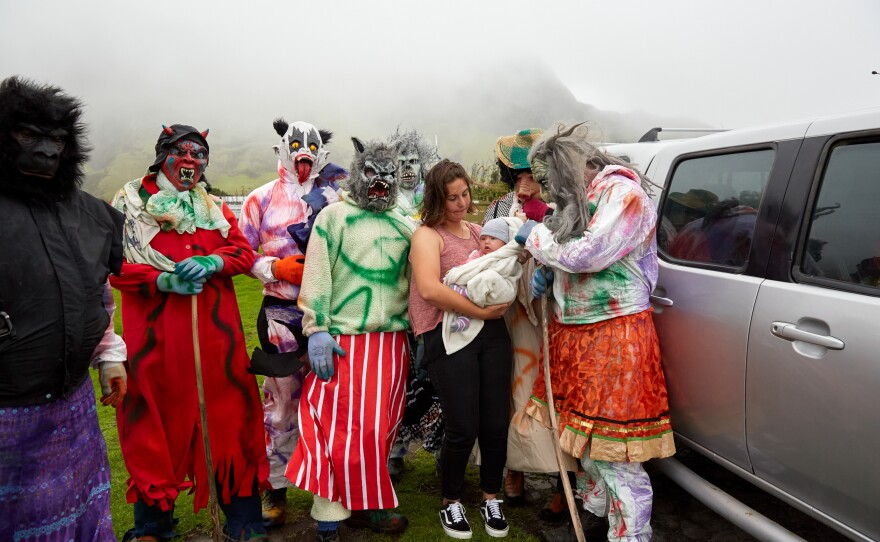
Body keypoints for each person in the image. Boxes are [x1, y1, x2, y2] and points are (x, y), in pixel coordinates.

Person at [518, 123, 675, 542]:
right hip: (575, 336)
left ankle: (631, 536)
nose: (546, 192)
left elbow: (589, 253)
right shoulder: (582, 199)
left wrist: (536, 238)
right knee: (583, 444)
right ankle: (596, 516)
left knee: (614, 452)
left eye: (549, 180)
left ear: (567, 166)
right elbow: (570, 255)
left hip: (614, 335)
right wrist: (549, 278)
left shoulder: (624, 195)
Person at [111, 124, 268, 541]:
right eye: (182, 152)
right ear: (162, 153)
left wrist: (215, 262)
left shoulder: (212, 205)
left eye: (199, 154)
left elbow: (241, 251)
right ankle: (152, 527)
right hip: (156, 343)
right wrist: (160, 281)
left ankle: (244, 520)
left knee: (232, 422)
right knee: (151, 427)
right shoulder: (130, 202)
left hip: (218, 345)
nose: (191, 161)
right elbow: (112, 265)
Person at [0, 76, 126, 542]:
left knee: (80, 514)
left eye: (56, 139)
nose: (47, 151)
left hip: (72, 409)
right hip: (7, 414)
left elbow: (99, 292)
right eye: (28, 135)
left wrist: (108, 355)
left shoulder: (89, 213)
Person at [285, 137, 413, 542]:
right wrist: (316, 329)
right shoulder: (334, 217)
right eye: (372, 175)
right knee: (336, 428)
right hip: (343, 342)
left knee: (380, 430)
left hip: (391, 344)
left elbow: (418, 280)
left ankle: (369, 506)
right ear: (359, 176)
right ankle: (328, 518)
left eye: (388, 177)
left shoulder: (405, 222)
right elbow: (318, 273)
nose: (381, 183)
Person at [239, 118, 347, 527]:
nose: (304, 152)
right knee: (282, 403)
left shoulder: (337, 199)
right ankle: (276, 488)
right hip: (281, 315)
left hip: (331, 316)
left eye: (311, 145)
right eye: (296, 144)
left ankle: (335, 490)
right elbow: (239, 252)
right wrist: (275, 266)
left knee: (333, 403)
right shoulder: (260, 198)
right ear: (284, 147)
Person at [409, 159, 514, 539]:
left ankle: (491, 496)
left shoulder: (477, 233)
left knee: (495, 420)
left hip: (490, 334)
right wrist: (482, 311)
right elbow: (430, 290)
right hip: (446, 334)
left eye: (465, 193)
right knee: (462, 424)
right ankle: (450, 501)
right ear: (437, 198)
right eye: (452, 197)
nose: (461, 202)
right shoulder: (428, 235)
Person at [483, 129, 570, 511]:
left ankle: (559, 477)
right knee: (512, 388)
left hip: (553, 316)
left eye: (532, 178)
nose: (525, 187)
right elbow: (485, 253)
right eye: (518, 179)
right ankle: (513, 469)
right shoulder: (498, 209)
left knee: (554, 389)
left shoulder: (564, 208)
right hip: (512, 315)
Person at [444, 217, 524, 342]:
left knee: (488, 277)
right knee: (454, 286)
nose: (487, 242)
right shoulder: (477, 255)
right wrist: (457, 272)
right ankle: (464, 316)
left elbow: (508, 271)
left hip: (500, 290)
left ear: (505, 242)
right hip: (480, 290)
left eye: (493, 238)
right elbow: (468, 268)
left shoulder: (507, 257)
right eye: (483, 238)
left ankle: (468, 306)